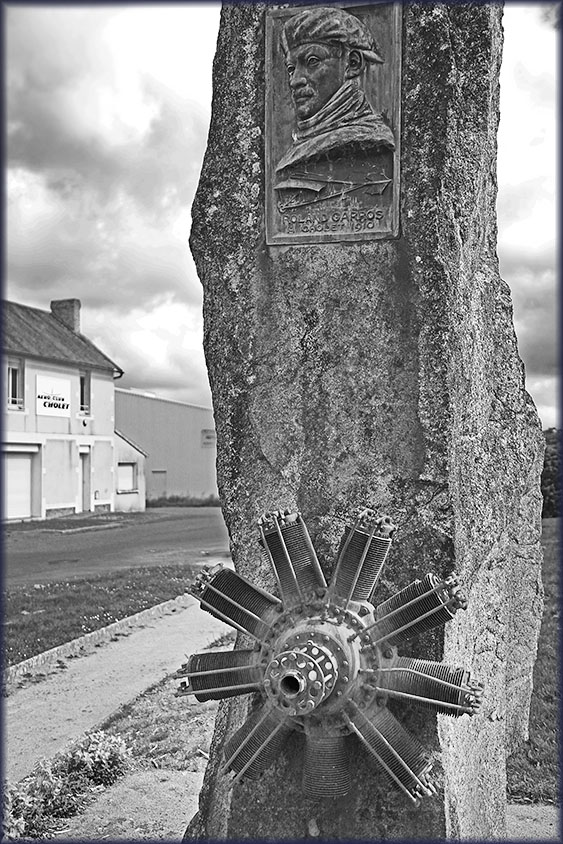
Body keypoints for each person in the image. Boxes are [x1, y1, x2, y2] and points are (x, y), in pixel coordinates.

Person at [276, 6, 395, 175]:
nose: (295, 81)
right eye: (291, 68)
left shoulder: (371, 139)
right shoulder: (295, 150)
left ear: (353, 64)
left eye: (312, 61)